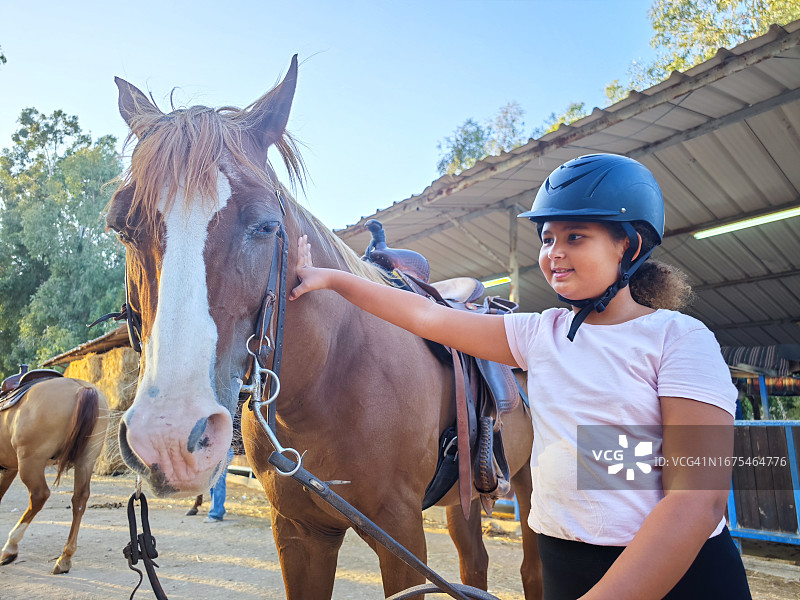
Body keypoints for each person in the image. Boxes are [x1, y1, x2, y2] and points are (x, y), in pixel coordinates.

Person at [290, 154, 751, 599]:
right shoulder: (540, 332)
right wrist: (332, 278)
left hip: (677, 571)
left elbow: (696, 500)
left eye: (576, 237)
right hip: (567, 564)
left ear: (627, 246)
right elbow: (425, 317)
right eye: (548, 239)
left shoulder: (679, 338)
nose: (555, 254)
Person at [204, 446, 234, 523]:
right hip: (217, 451)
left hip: (221, 451)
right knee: (213, 483)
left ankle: (216, 514)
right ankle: (218, 510)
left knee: (218, 483)